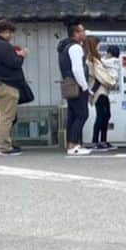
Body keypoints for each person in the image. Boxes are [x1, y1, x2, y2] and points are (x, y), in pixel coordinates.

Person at [0, 19, 28, 156]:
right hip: (6, 85)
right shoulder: (2, 46)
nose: (11, 36)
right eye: (10, 33)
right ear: (5, 31)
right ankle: (4, 146)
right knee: (7, 117)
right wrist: (21, 56)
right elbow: (14, 63)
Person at [57, 19, 92, 155]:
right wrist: (84, 86)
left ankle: (71, 144)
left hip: (68, 84)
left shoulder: (64, 47)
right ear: (76, 33)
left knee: (73, 115)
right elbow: (78, 69)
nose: (84, 33)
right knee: (82, 114)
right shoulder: (76, 48)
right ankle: (73, 145)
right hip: (77, 85)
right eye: (82, 31)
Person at [86, 36, 119, 152]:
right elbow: (101, 76)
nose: (100, 47)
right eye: (98, 44)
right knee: (102, 116)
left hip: (102, 91)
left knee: (105, 115)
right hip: (98, 91)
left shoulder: (95, 59)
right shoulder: (93, 59)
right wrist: (112, 82)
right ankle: (96, 141)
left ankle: (102, 141)